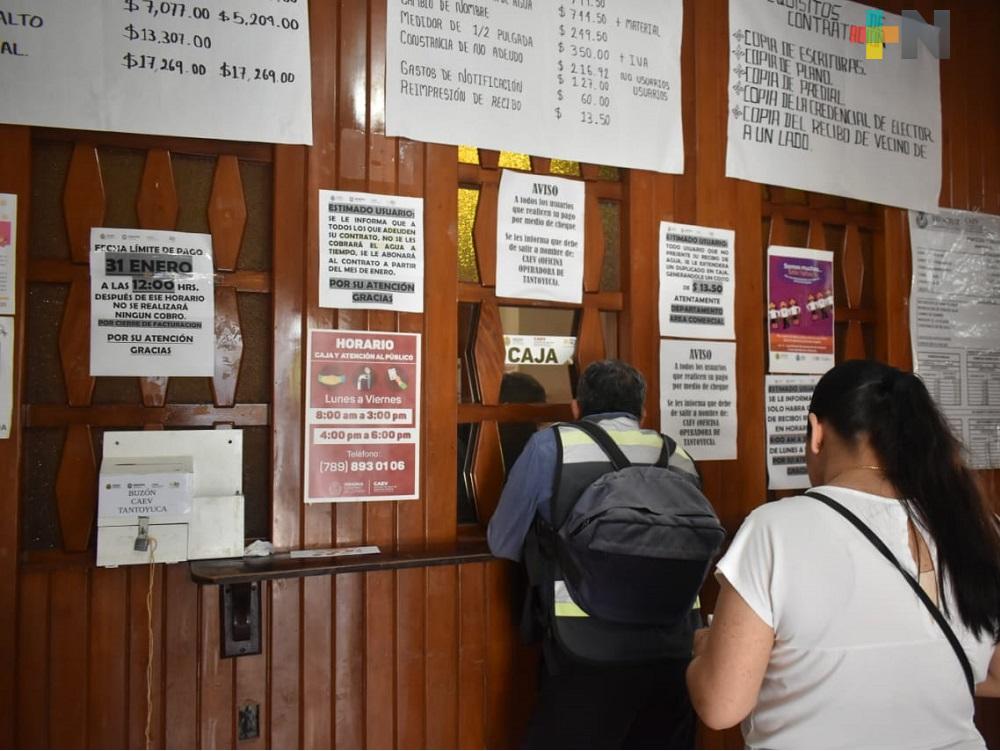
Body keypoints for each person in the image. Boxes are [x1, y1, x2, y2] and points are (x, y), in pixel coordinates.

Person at [687, 360, 1000, 749]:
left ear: (816, 433)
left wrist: (705, 649)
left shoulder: (774, 529)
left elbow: (722, 706)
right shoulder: (972, 526)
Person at [488, 359, 697, 749]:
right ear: (643, 412)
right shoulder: (676, 455)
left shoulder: (552, 446)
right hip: (673, 644)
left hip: (585, 646)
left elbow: (503, 540)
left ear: (576, 408)